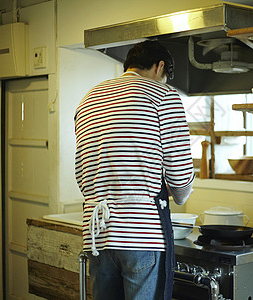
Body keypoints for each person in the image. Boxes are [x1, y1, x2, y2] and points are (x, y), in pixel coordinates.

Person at [74, 40, 195, 300]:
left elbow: (81, 172)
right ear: (159, 66)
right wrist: (182, 195)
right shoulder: (163, 96)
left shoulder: (89, 98)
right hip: (142, 235)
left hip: (97, 234)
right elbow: (180, 174)